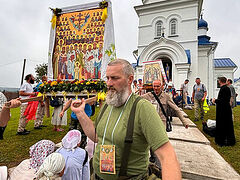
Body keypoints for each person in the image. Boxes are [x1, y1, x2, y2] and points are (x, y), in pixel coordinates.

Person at [71, 59, 181, 180]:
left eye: (114, 78)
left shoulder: (142, 108)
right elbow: (96, 136)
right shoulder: (108, 104)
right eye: (107, 78)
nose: (108, 83)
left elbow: (168, 156)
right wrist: (80, 113)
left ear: (130, 79)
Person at [213, 77, 236, 146]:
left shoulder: (224, 89)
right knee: (227, 125)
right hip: (225, 109)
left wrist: (215, 101)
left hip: (223, 111)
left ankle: (222, 140)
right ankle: (227, 140)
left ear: (220, 81)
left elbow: (223, 100)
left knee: (223, 125)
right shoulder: (226, 88)